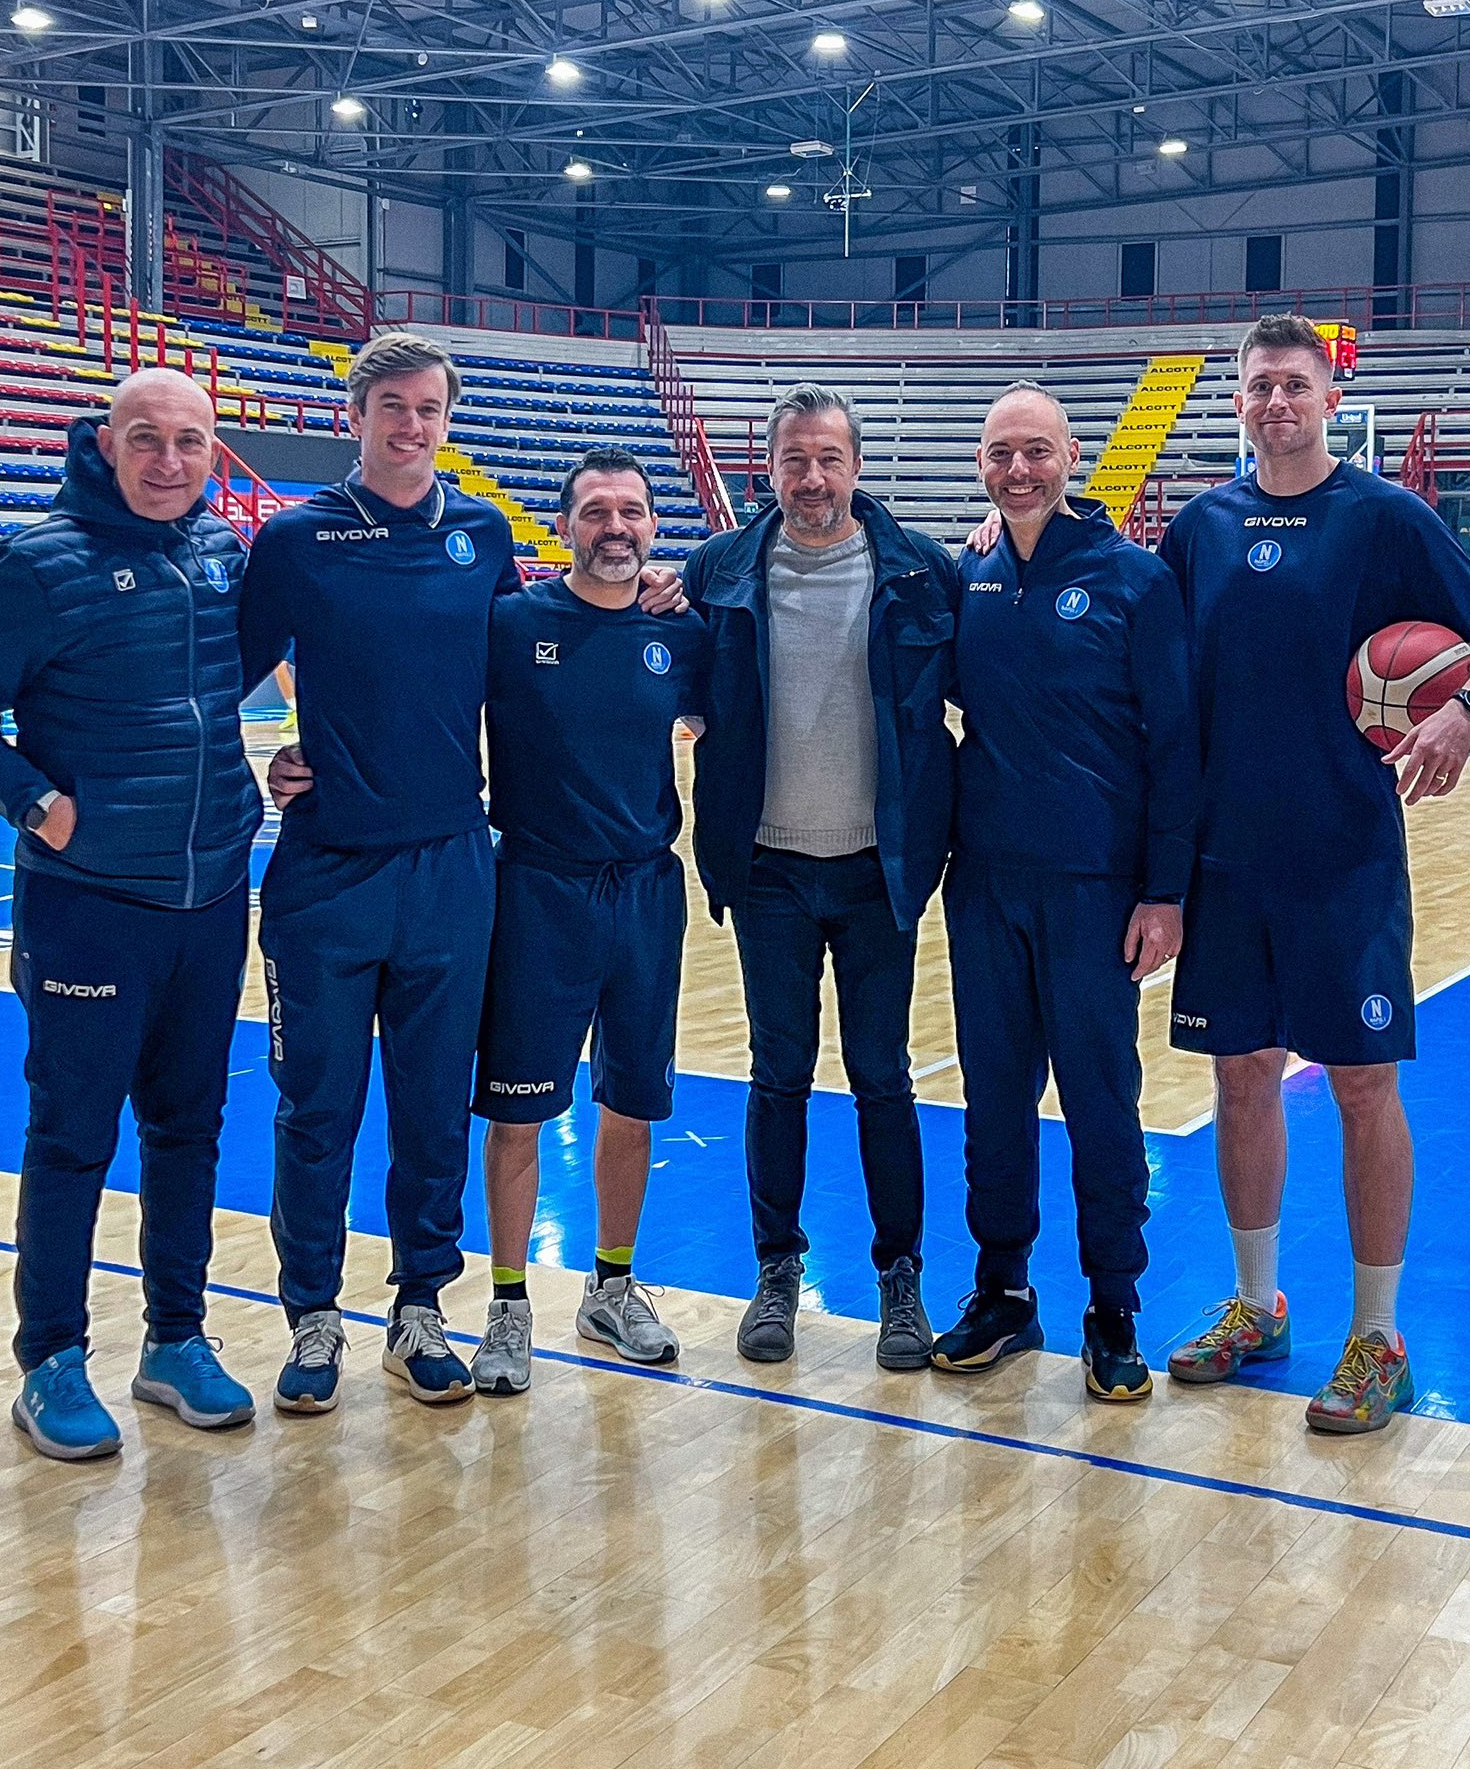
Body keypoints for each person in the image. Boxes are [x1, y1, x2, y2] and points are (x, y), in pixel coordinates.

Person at [245, 333, 685, 1415]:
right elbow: (217, 674)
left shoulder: (480, 535)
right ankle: (311, 1313)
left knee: (437, 1103)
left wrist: (669, 590)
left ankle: (420, 1307)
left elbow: (552, 644)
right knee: (316, 1108)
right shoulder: (297, 539)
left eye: (429, 408)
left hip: (453, 865)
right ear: (355, 416)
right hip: (328, 870)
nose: (410, 425)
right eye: (390, 406)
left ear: (448, 420)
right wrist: (263, 756)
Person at [1160, 312, 1470, 1433]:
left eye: (1294, 384)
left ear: (1331, 399)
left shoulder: (1386, 515)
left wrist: (1466, 712)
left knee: (1365, 1086)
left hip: (1345, 857)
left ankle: (1377, 1336)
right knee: (1239, 1077)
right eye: (1259, 385)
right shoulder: (1203, 526)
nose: (1276, 401)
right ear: (1238, 401)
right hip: (1224, 857)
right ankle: (1254, 1303)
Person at [0, 370, 261, 1460]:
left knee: (189, 1130)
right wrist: (34, 801)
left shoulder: (218, 553)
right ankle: (51, 1358)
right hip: (89, 903)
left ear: (214, 452)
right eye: (147, 439)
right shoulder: (38, 563)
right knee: (72, 1135)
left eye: (192, 441)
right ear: (104, 442)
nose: (170, 460)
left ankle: (176, 1338)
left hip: (210, 897)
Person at [684, 383, 960, 1371]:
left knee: (883, 1077)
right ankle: (776, 1271)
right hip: (768, 869)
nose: (812, 478)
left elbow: (1006, 690)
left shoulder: (926, 573)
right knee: (778, 1074)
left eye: (828, 459)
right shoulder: (717, 571)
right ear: (771, 467)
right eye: (795, 460)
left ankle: (901, 1277)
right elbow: (656, 683)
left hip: (879, 872)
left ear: (856, 466)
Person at [935, 385, 1197, 1400]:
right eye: (1001, 450)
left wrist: (1165, 891)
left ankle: (1113, 1304)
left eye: (1036, 449)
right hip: (987, 880)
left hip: (1097, 889)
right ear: (981, 463)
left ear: (1073, 455)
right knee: (993, 1098)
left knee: (1101, 1101)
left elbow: (1178, 748)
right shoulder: (969, 574)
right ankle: (1003, 1287)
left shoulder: (1138, 579)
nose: (1018, 468)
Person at [468, 448, 708, 1395]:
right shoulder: (511, 625)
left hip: (647, 891)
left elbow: (726, 725)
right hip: (538, 890)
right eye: (597, 512)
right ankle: (507, 1304)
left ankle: (612, 1286)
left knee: (633, 1101)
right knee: (519, 1111)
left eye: (635, 513)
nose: (618, 528)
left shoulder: (678, 634)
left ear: (655, 528)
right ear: (562, 525)